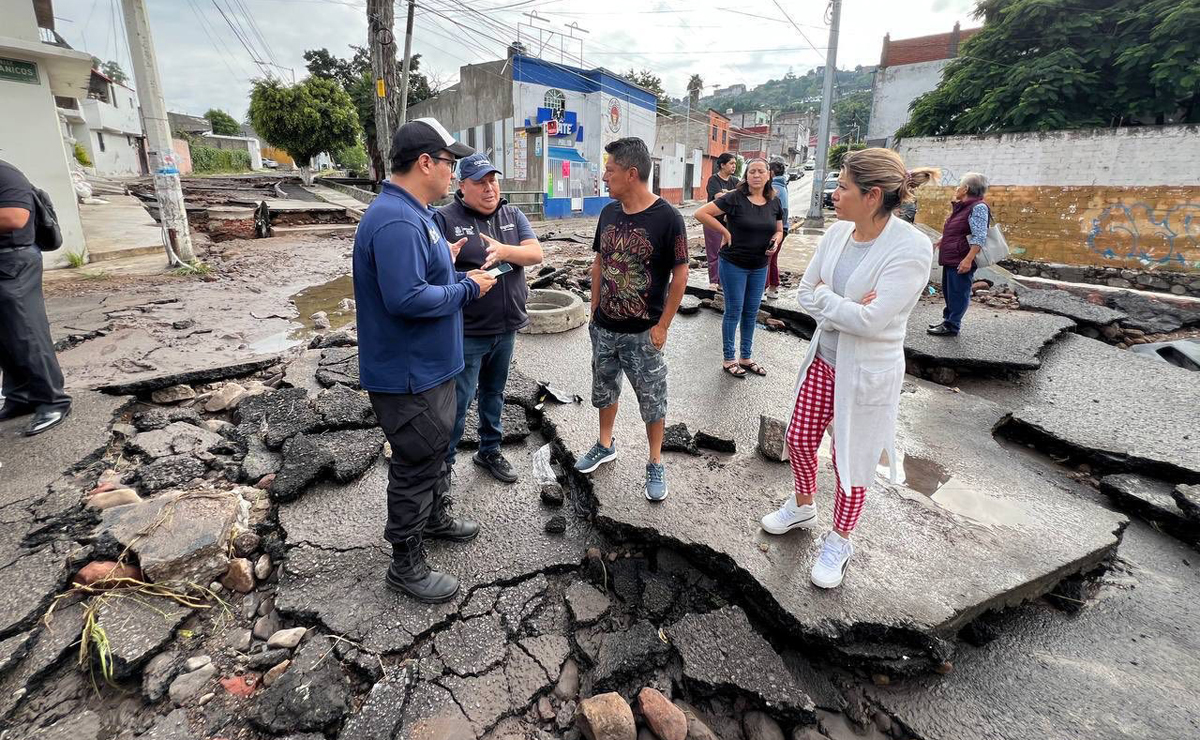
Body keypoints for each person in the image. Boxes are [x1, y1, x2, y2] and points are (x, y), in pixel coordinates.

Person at [758, 148, 938, 589]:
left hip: (867, 373)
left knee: (850, 460)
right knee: (798, 439)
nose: (833, 194)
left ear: (872, 195)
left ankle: (840, 540)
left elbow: (873, 322)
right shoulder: (838, 235)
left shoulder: (910, 248)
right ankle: (803, 505)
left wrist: (835, 303)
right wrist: (847, 306)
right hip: (825, 358)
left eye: (842, 187)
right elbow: (805, 291)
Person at [353, 117, 496, 604]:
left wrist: (447, 257)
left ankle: (434, 518)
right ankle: (405, 563)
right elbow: (406, 299)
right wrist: (466, 287)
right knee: (416, 461)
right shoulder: (395, 219)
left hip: (431, 368)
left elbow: (418, 273)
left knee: (434, 452)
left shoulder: (415, 214)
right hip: (409, 375)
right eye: (450, 163)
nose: (454, 173)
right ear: (425, 162)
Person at [574, 137, 688, 503]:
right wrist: (593, 311)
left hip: (644, 332)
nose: (605, 176)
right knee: (604, 390)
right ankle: (605, 444)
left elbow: (681, 272)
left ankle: (655, 461)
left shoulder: (668, 218)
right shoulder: (608, 213)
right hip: (605, 327)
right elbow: (599, 262)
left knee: (652, 400)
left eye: (610, 170)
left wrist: (663, 326)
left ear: (631, 173)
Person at [434, 153, 543, 484]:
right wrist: (459, 272)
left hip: (506, 328)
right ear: (461, 185)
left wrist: (504, 251)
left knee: (494, 393)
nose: (489, 188)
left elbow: (535, 253)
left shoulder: (512, 213)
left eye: (492, 180)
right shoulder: (444, 219)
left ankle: (489, 450)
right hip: (467, 331)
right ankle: (444, 466)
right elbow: (431, 273)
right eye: (480, 182)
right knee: (459, 401)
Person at [0, 159, 72, 436]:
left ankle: (53, 401)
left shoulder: (5, 173)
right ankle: (20, 398)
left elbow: (15, 216)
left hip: (12, 262)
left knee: (26, 333)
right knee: (5, 337)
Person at [693, 158, 783, 379]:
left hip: (760, 265)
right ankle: (729, 359)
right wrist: (725, 232)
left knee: (751, 312)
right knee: (734, 311)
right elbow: (701, 213)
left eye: (761, 171)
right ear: (746, 176)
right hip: (734, 264)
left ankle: (746, 357)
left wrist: (777, 238)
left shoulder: (774, 201)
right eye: (751, 171)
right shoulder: (735, 198)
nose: (756, 175)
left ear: (768, 175)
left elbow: (779, 228)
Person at [928, 172, 989, 336]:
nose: (957, 189)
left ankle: (952, 325)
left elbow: (979, 236)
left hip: (961, 258)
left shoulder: (978, 207)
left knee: (958, 293)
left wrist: (968, 259)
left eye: (959, 186)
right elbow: (959, 230)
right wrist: (941, 240)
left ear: (966, 188)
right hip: (952, 257)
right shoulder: (963, 207)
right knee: (950, 292)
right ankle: (948, 321)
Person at [702, 153, 739, 291]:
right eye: (731, 163)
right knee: (713, 252)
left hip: (729, 222)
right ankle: (714, 281)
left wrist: (728, 192)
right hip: (712, 220)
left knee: (728, 252)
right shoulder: (714, 180)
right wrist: (733, 193)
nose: (734, 166)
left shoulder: (735, 180)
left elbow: (743, 194)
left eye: (735, 163)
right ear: (722, 165)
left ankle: (724, 281)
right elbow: (718, 197)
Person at [766, 160, 790, 299]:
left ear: (771, 172)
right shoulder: (782, 185)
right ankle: (773, 287)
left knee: (766, 259)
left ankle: (764, 288)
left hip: (776, 229)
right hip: (782, 229)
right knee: (772, 259)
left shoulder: (774, 187)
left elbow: (780, 213)